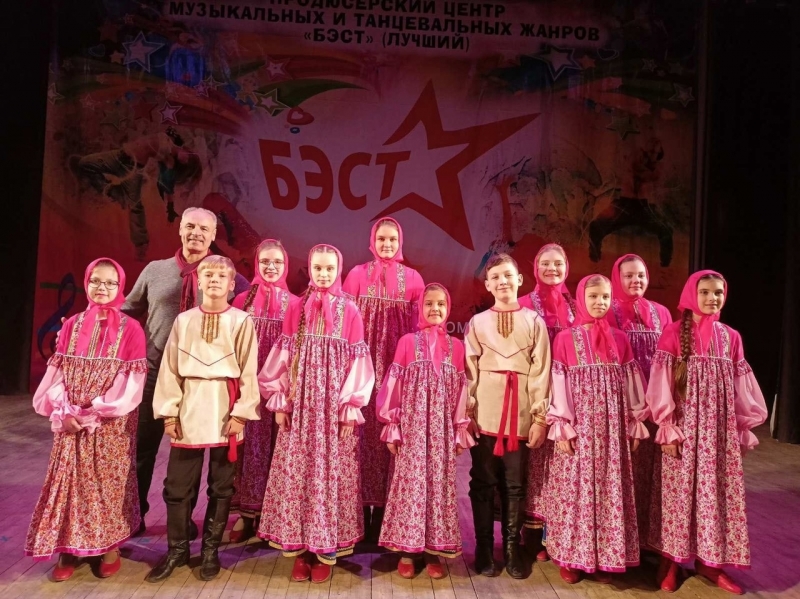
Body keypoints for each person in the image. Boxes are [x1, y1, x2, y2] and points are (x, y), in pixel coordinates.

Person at [122, 207, 249, 537]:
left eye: (204, 229)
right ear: (180, 230)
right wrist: (85, 328)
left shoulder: (224, 274)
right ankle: (134, 516)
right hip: (156, 373)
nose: (196, 233)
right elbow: (126, 312)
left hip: (204, 384)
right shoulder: (155, 270)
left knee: (196, 456)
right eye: (190, 226)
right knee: (142, 448)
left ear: (213, 235)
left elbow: (252, 308)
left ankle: (187, 523)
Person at [258, 244, 375, 584]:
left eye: (329, 269)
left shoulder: (350, 310)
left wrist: (350, 407)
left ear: (338, 271)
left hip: (332, 414)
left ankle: (325, 549)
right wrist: (280, 401)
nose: (323, 274)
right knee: (299, 475)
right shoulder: (297, 307)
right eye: (318, 268)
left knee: (330, 476)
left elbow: (359, 362)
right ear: (309, 270)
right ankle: (300, 549)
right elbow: (283, 356)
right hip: (301, 411)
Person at [647, 270, 768, 594]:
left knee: (715, 495)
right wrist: (667, 426)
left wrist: (742, 426)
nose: (712, 298)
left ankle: (711, 564)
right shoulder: (674, 333)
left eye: (718, 292)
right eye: (705, 292)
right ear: (692, 295)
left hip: (718, 434)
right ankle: (672, 561)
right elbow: (661, 382)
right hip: (684, 432)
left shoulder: (731, 337)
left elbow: (741, 386)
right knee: (679, 497)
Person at [26, 258, 146, 581]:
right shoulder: (72, 325)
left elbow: (131, 385)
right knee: (68, 484)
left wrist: (95, 411)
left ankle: (109, 547)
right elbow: (58, 374)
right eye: (96, 281)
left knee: (107, 484)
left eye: (110, 282)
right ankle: (68, 548)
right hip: (70, 422)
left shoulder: (131, 329)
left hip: (109, 424)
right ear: (87, 283)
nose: (102, 288)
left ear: (120, 286)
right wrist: (65, 411)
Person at [145, 255, 260, 583]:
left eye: (221, 277)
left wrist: (242, 413)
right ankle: (177, 550)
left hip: (225, 407)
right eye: (208, 275)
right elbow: (170, 369)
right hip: (190, 406)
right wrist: (169, 413)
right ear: (199, 281)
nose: (214, 281)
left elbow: (248, 369)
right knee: (177, 486)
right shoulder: (184, 321)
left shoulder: (241, 320)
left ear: (232, 284)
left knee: (221, 487)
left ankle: (210, 551)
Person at [545, 274, 649, 584]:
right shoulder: (566, 339)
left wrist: (634, 422)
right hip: (581, 430)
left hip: (612, 433)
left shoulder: (620, 339)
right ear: (581, 299)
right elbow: (559, 384)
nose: (599, 302)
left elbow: (631, 383)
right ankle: (572, 557)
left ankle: (605, 555)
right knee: (575, 490)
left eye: (605, 297)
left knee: (608, 490)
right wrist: (562, 425)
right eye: (593, 297)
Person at [377, 283, 475, 579]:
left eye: (441, 304)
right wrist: (393, 425)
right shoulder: (407, 342)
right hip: (413, 431)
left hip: (441, 433)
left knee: (439, 487)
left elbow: (461, 391)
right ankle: (408, 550)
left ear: (448, 309)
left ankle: (434, 550)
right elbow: (394, 385)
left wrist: (459, 428)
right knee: (411, 487)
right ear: (420, 308)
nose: (435, 309)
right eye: (429, 303)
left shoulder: (457, 347)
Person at [465, 253, 551, 579]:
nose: (503, 281)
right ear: (487, 285)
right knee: (483, 482)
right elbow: (469, 370)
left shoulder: (534, 321)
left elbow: (541, 371)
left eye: (508, 275)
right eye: (496, 277)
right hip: (486, 413)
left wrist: (540, 418)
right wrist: (468, 411)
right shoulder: (477, 323)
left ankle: (512, 548)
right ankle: (484, 548)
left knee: (515, 484)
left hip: (520, 416)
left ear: (520, 280)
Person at [342, 217, 424, 541]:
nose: (387, 244)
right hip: (362, 367)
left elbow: (418, 330)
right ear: (372, 242)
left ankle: (386, 520)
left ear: (400, 242)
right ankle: (359, 517)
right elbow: (345, 324)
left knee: (390, 437)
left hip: (395, 366)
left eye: (392, 239)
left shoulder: (414, 279)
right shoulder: (356, 274)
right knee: (361, 439)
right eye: (381, 239)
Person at [228, 239, 296, 543]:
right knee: (249, 451)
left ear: (285, 266)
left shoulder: (295, 304)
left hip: (278, 388)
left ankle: (273, 517)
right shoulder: (242, 301)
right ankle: (246, 515)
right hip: (247, 385)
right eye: (265, 261)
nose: (271, 267)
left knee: (276, 450)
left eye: (277, 262)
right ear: (257, 264)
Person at [606, 253, 673, 549]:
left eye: (641, 275)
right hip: (623, 405)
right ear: (617, 278)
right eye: (629, 275)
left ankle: (647, 541)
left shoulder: (661, 312)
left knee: (651, 475)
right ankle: (620, 542)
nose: (636, 280)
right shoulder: (607, 310)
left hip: (655, 405)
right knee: (623, 473)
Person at [519, 242, 576, 561]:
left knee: (563, 464)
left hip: (569, 395)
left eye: (558, 263)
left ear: (566, 268)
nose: (552, 269)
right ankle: (532, 535)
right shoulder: (524, 304)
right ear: (535, 268)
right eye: (546, 264)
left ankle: (560, 534)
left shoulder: (576, 306)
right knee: (535, 464)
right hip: (536, 392)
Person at [69, 128, 202, 261]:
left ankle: (141, 245)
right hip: (120, 155)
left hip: (132, 167)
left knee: (135, 205)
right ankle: (113, 191)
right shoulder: (173, 140)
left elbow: (168, 183)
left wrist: (171, 207)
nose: (185, 158)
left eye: (185, 161)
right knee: (83, 164)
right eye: (187, 156)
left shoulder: (169, 160)